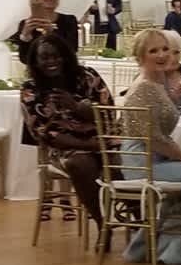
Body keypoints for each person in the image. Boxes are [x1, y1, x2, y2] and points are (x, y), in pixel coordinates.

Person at [21, 32, 115, 233]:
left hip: (103, 140)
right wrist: (89, 145)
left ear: (66, 56)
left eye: (56, 55)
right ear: (35, 62)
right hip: (66, 147)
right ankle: (102, 223)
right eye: (45, 57)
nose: (52, 61)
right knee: (80, 164)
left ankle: (140, 222)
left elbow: (109, 113)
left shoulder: (87, 77)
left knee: (125, 163)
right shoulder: (31, 89)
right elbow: (42, 133)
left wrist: (77, 107)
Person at [121, 29, 181, 185]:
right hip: (143, 164)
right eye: (153, 51)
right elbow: (154, 139)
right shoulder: (144, 87)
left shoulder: (157, 83)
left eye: (165, 49)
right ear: (140, 57)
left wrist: (174, 97)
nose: (162, 55)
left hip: (158, 158)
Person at [14, 0, 80, 68]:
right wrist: (25, 36)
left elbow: (72, 51)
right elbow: (24, 59)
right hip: (37, 73)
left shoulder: (69, 20)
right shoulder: (26, 24)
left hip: (64, 72)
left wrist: (52, 34)